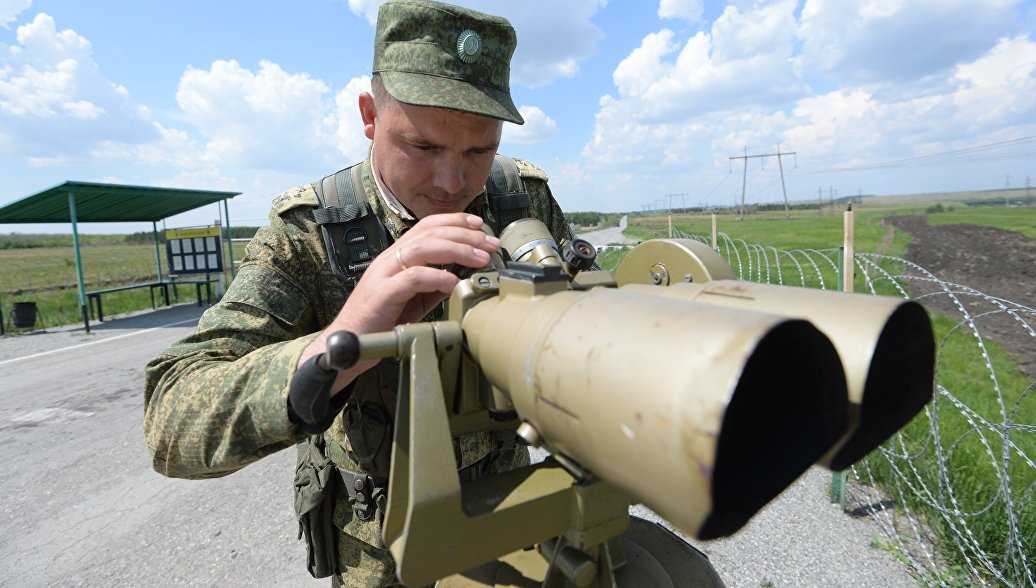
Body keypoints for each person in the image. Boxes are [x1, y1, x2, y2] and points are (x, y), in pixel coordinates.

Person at [143, 0, 573, 586]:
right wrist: (339, 341)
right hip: (383, 552)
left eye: (479, 150)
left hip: (513, 517)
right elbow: (171, 420)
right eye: (422, 147)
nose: (453, 183)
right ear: (370, 115)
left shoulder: (521, 201)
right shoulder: (306, 235)